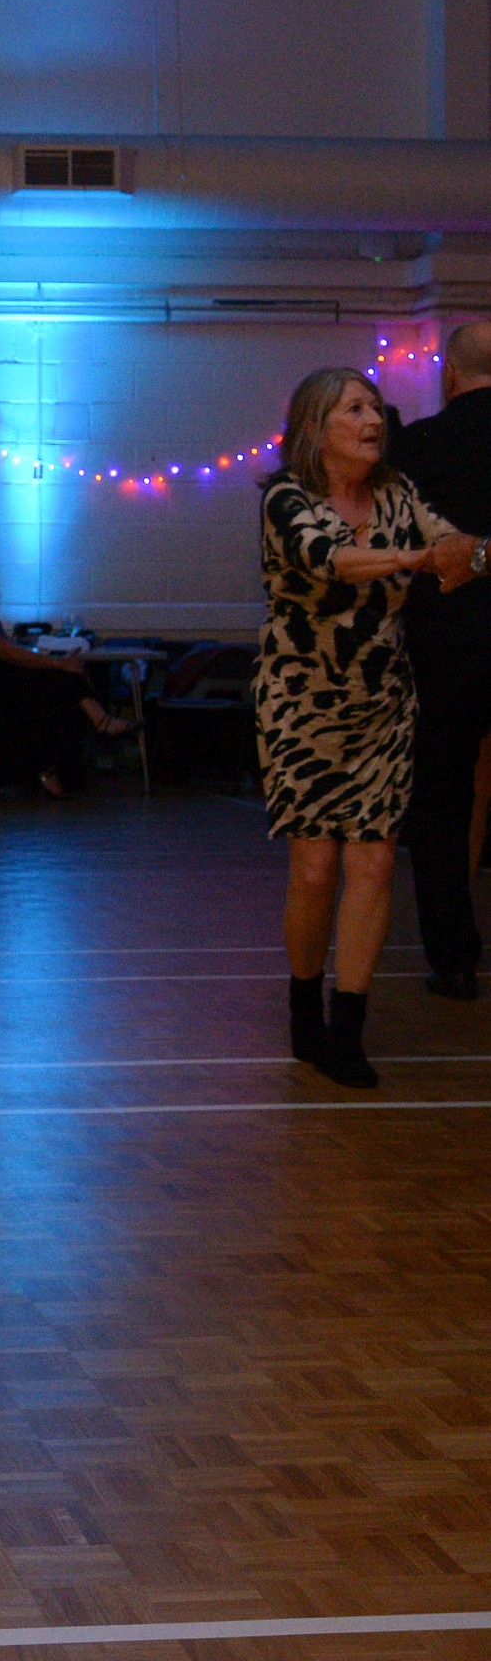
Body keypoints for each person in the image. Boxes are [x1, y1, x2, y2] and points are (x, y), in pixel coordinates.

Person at [258, 369, 479, 1088]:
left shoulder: (398, 494)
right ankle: (304, 1005)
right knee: (315, 871)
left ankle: (347, 1028)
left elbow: (453, 547)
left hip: (383, 703)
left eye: (375, 406)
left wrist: (475, 555)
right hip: (302, 706)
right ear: (316, 428)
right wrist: (421, 559)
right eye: (354, 409)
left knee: (375, 865)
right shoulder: (286, 499)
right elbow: (332, 560)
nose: (373, 419)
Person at [391, 323, 491, 1000]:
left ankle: (454, 959)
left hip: (446, 647)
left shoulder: (420, 445)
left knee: (441, 801)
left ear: (448, 375)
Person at [0, 552, 132, 796]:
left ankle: (74, 748)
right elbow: (5, 652)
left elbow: (6, 650)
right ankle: (95, 727)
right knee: (60, 681)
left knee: (63, 682)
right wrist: (57, 663)